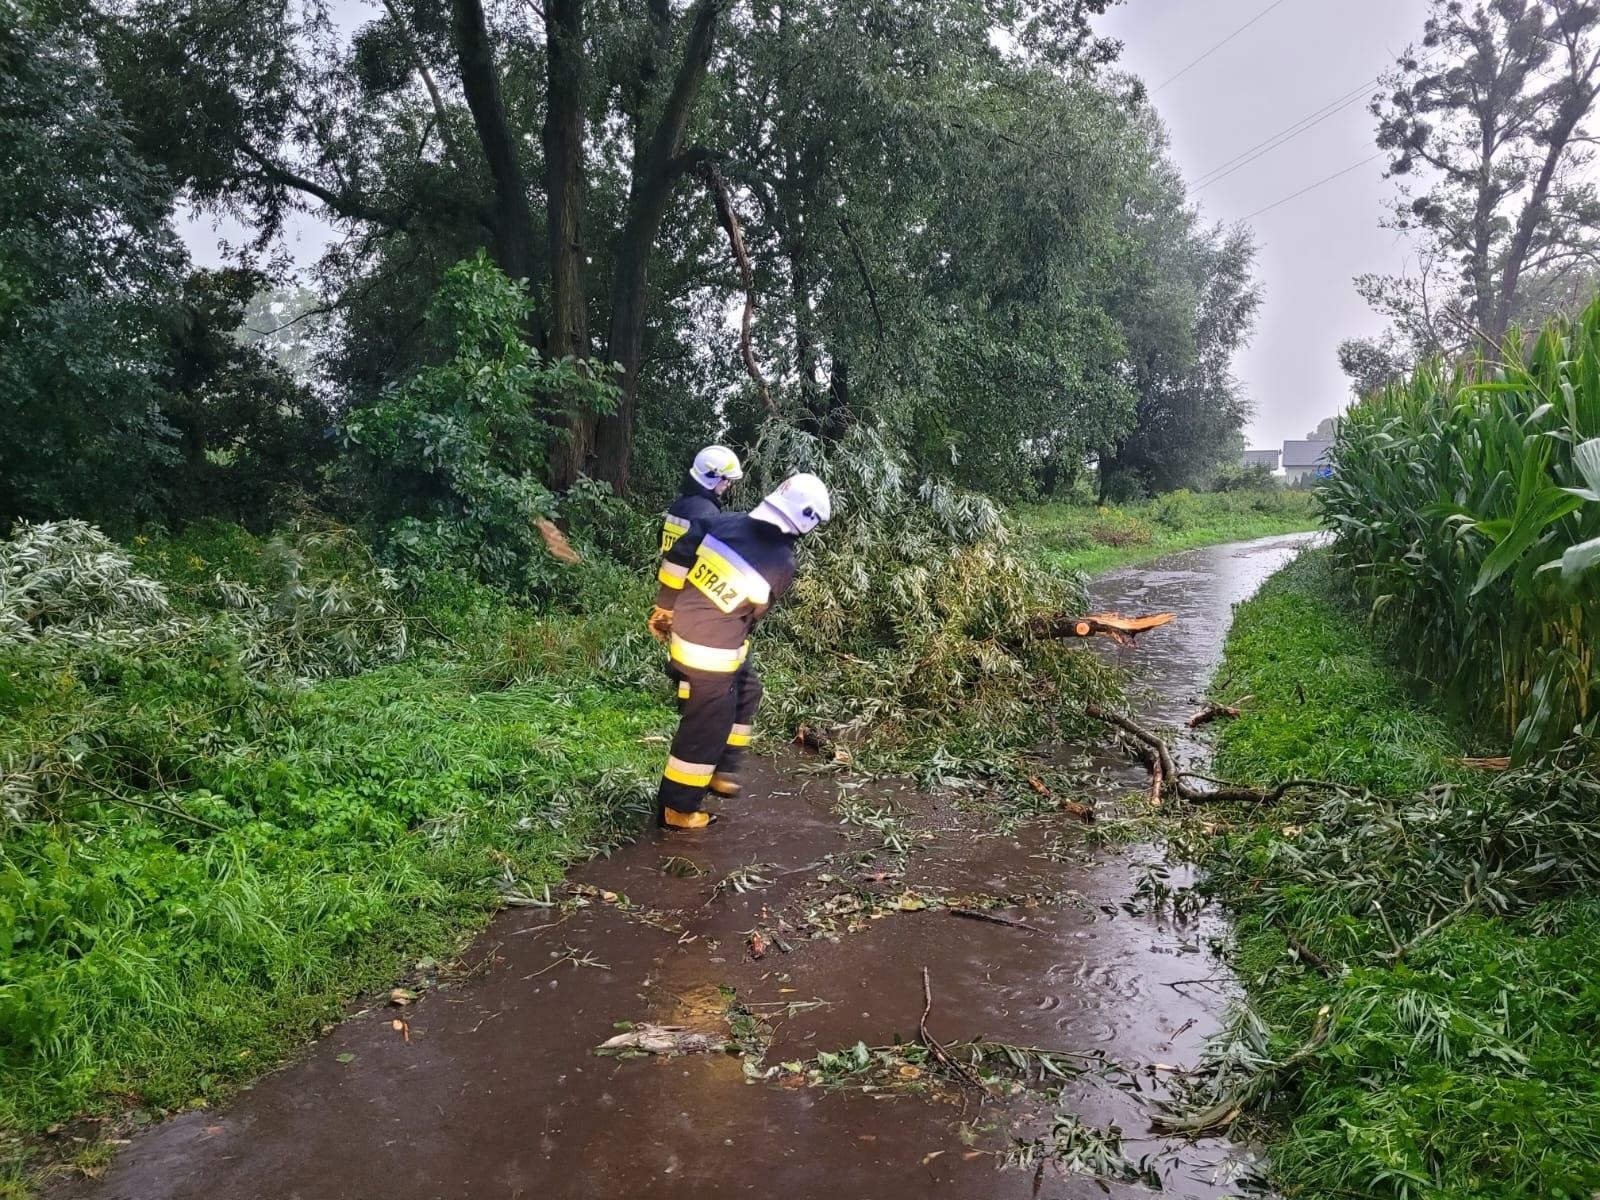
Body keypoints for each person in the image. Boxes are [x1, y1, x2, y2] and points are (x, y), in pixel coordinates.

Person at [647, 473, 832, 830]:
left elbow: (679, 554)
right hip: (709, 653)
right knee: (707, 727)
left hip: (689, 630)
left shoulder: (723, 521)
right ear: (806, 522)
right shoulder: (782, 562)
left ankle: (721, 768)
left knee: (748, 689)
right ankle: (678, 809)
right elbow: (755, 613)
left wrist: (665, 606)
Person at [658, 446, 744, 710]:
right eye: (726, 479)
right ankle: (688, 705)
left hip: (674, 586)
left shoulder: (681, 504)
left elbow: (664, 542)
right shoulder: (706, 514)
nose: (728, 484)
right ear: (711, 477)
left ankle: (683, 699)